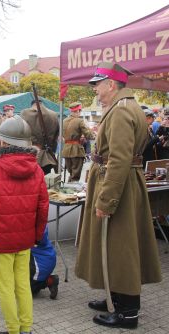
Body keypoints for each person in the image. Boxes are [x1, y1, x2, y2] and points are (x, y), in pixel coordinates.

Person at [75, 61, 162, 329]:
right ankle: (117, 298)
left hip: (118, 187)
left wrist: (107, 200)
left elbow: (119, 160)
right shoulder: (122, 107)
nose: (96, 91)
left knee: (121, 248)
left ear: (111, 84)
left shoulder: (122, 111)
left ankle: (127, 313)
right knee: (115, 246)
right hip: (120, 184)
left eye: (98, 85)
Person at [0, 116, 49, 334]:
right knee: (23, 285)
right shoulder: (36, 170)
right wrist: (36, 236)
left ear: (3, 142)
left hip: (0, 241)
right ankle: (26, 329)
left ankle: (13, 330)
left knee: (6, 288)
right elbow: (42, 208)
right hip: (25, 241)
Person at [21, 100, 59, 175]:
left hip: (29, 154)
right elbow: (56, 136)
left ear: (32, 105)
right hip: (47, 155)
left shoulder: (25, 113)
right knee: (45, 181)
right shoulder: (53, 114)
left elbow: (20, 133)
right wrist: (52, 151)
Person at [62, 102, 95, 182]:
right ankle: (72, 189)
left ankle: (69, 184)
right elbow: (88, 135)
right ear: (78, 111)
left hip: (66, 150)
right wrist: (93, 135)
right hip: (76, 150)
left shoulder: (64, 120)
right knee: (75, 174)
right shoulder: (79, 121)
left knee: (71, 172)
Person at [30, 227, 59, 299]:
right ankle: (47, 279)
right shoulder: (41, 223)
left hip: (38, 265)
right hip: (49, 258)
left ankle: (49, 281)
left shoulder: (29, 228)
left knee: (27, 290)